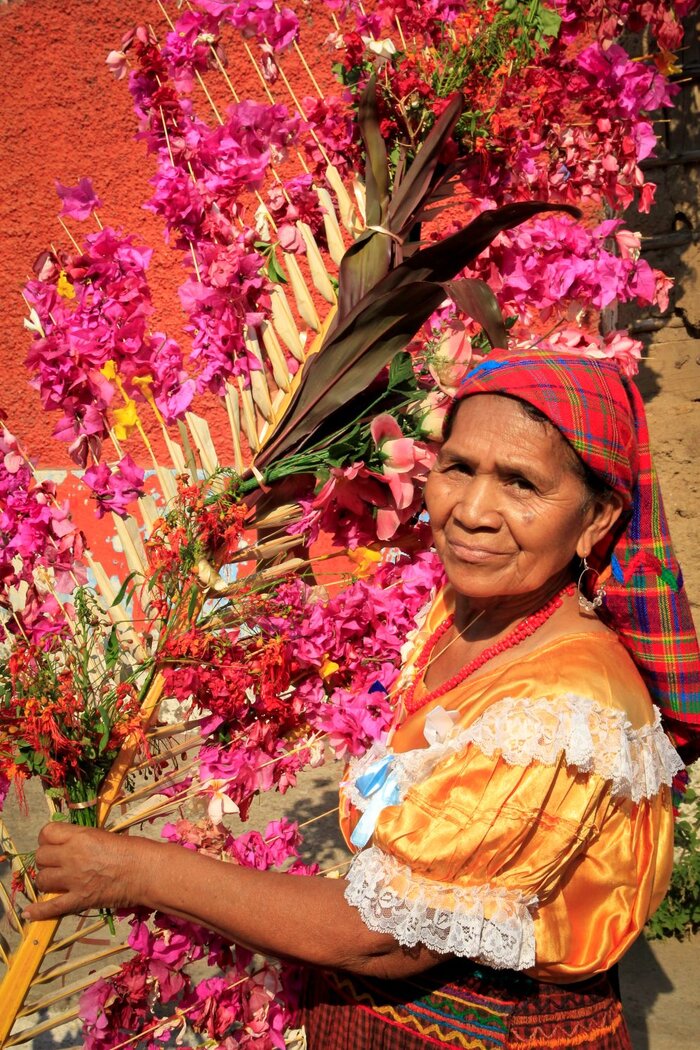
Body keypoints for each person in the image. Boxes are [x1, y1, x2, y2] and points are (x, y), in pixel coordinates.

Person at [26, 351, 700, 1050]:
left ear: (597, 518)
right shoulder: (469, 608)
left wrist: (137, 870)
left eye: (521, 483)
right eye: (458, 467)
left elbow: (378, 938)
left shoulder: (566, 710)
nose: (471, 512)